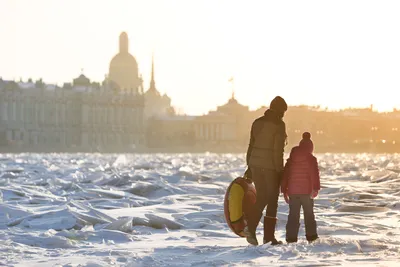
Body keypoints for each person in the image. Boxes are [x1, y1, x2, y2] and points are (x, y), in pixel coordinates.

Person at [243, 96, 288, 246]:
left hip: (255, 165)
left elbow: (251, 146)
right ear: (281, 110)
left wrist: (249, 166)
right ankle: (268, 237)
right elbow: (278, 151)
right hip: (270, 167)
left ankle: (250, 228)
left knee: (262, 197)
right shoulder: (279, 125)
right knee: (273, 200)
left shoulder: (257, 122)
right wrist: (279, 171)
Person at [280, 132, 320, 243]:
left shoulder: (291, 159)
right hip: (307, 192)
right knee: (309, 215)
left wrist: (284, 191)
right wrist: (315, 188)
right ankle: (312, 238)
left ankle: (291, 239)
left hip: (293, 192)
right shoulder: (311, 159)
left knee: (293, 216)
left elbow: (285, 175)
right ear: (310, 148)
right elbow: (314, 174)